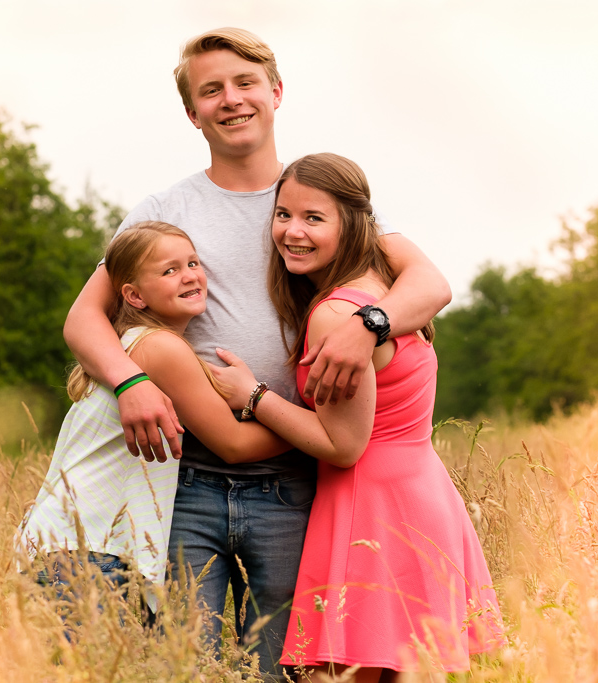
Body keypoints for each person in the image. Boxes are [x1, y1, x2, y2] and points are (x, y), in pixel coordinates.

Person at [63, 28, 451, 679]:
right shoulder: (166, 207)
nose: (230, 99)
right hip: (187, 483)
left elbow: (431, 283)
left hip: (297, 483)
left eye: (245, 83)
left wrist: (369, 324)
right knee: (194, 664)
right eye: (210, 90)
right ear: (192, 112)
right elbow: (84, 317)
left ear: (275, 92)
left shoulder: (310, 195)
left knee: (293, 667)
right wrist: (130, 381)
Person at [214, 153, 505, 680]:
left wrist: (252, 395)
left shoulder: (334, 313)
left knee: (336, 673)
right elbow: (434, 285)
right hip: (421, 493)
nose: (292, 232)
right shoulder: (386, 276)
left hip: (367, 502)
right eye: (283, 215)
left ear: (352, 222)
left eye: (313, 218)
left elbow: (343, 444)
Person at [18, 222, 288, 626]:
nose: (190, 275)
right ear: (134, 295)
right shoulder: (160, 349)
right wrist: (317, 432)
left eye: (193, 263)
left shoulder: (127, 346)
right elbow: (234, 444)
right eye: (170, 270)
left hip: (67, 544)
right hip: (92, 553)